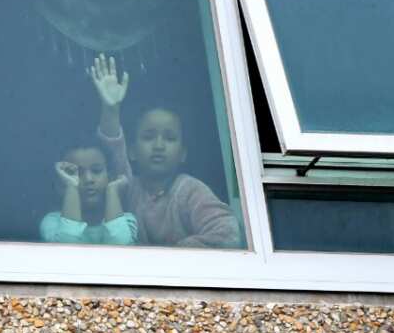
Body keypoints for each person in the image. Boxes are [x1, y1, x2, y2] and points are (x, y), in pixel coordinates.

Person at [88, 54, 242, 248]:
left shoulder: (190, 191)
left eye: (169, 138)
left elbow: (227, 233)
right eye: (148, 136)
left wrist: (171, 257)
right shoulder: (128, 188)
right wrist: (111, 110)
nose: (159, 145)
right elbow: (112, 154)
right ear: (132, 151)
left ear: (183, 153)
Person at [39, 143, 138, 245]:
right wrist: (71, 185)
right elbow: (67, 245)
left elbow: (119, 246)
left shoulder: (126, 220)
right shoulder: (52, 222)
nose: (88, 179)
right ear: (61, 185)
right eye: (78, 173)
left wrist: (112, 190)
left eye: (96, 171)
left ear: (110, 177)